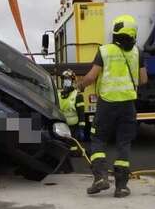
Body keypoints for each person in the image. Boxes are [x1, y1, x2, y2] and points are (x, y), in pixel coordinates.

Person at [77, 14, 147, 198]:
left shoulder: (105, 51)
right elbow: (144, 79)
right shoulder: (137, 52)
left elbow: (91, 76)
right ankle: (121, 187)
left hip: (107, 103)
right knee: (124, 142)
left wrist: (80, 86)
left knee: (98, 139)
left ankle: (100, 177)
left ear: (115, 31)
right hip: (128, 104)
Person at [58, 69, 87, 155]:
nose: (66, 81)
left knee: (74, 147)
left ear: (72, 81)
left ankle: (75, 155)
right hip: (63, 126)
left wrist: (81, 128)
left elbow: (81, 113)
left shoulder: (77, 95)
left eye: (68, 79)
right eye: (64, 79)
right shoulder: (59, 95)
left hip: (74, 127)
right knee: (63, 147)